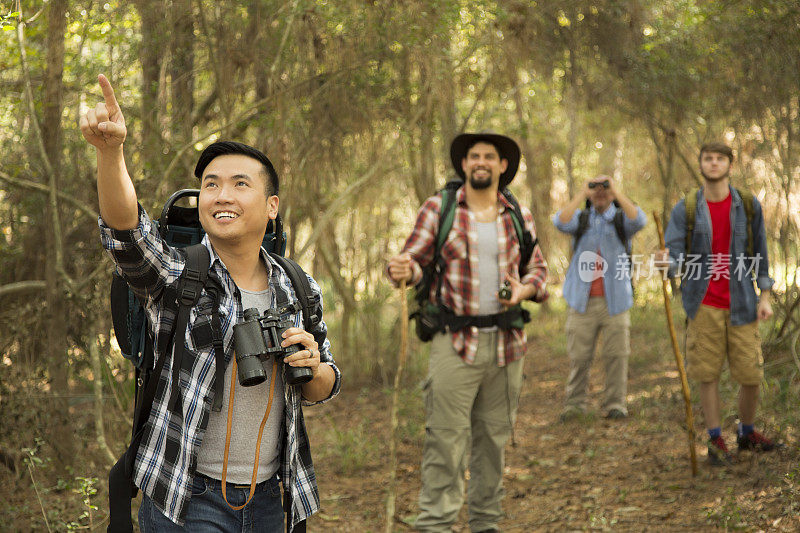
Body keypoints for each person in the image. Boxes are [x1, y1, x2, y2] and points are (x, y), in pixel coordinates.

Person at [80, 74, 340, 531]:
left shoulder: (299, 287)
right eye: (212, 184)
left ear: (271, 204)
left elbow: (323, 387)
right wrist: (110, 153)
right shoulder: (177, 275)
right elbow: (126, 232)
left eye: (241, 184)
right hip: (186, 494)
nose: (222, 195)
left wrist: (313, 365)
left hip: (271, 499)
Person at [387, 133, 547, 533]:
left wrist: (524, 290)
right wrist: (402, 270)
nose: (481, 162)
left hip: (508, 346)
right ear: (463, 164)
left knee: (493, 442)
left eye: (489, 157)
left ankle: (485, 524)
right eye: (474, 156)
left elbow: (539, 273)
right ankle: (436, 525)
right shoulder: (439, 208)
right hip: (454, 343)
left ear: (502, 166)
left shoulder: (517, 214)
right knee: (446, 441)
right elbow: (415, 262)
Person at [657, 141, 775, 466]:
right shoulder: (687, 208)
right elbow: (676, 256)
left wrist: (764, 296)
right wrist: (665, 262)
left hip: (744, 303)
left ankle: (746, 432)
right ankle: (715, 438)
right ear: (700, 165)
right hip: (703, 303)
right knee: (706, 373)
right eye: (707, 158)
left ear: (729, 166)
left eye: (719, 159)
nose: (713, 163)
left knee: (751, 374)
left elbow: (761, 254)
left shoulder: (748, 205)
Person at [552, 175, 646, 421]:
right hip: (581, 302)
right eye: (595, 188)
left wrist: (616, 192)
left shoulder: (619, 219)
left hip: (615, 302)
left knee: (617, 355)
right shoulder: (581, 219)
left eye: (604, 188)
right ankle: (574, 406)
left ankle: (616, 404)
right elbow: (559, 222)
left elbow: (640, 220)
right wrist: (582, 194)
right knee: (579, 357)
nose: (600, 192)